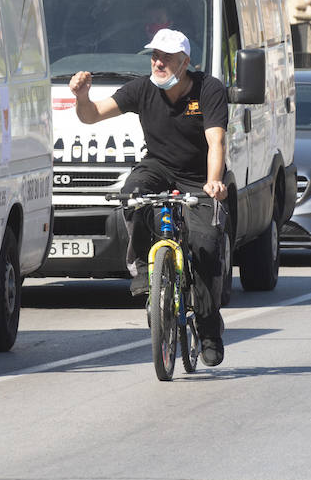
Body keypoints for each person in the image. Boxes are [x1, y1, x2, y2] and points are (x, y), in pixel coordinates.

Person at [68, 27, 230, 366]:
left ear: (185, 62)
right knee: (132, 195)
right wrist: (82, 98)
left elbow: (216, 142)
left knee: (205, 248)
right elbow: (92, 115)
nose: (158, 63)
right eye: (155, 56)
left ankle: (208, 326)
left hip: (199, 177)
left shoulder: (209, 89)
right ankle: (145, 269)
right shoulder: (142, 89)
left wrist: (213, 182)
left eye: (167, 58)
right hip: (158, 167)